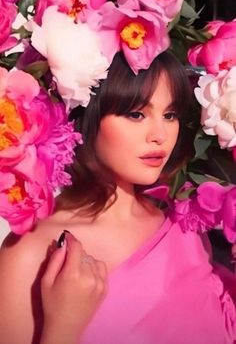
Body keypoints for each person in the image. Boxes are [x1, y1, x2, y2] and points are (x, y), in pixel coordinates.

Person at [0, 50, 235, 344]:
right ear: (85, 115)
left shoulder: (184, 229)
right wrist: (63, 329)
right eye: (136, 114)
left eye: (170, 115)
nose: (160, 135)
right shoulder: (29, 253)